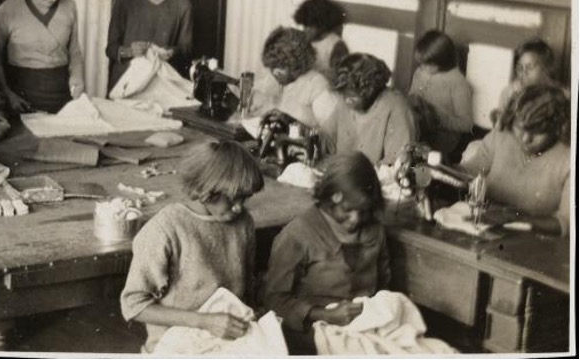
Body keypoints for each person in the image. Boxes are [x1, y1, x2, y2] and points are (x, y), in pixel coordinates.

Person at [120, 140, 265, 354]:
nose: (239, 207)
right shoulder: (166, 229)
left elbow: (247, 285)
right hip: (176, 345)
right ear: (204, 191)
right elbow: (133, 305)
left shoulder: (243, 223)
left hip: (228, 340)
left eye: (245, 198)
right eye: (232, 199)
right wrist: (204, 321)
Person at [261, 152, 390, 355]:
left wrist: (378, 311)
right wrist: (323, 315)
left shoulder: (374, 230)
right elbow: (273, 298)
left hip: (364, 325)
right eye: (347, 210)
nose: (355, 219)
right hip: (311, 328)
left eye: (363, 210)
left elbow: (383, 283)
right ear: (330, 198)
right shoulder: (298, 235)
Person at [460, 84, 570, 237]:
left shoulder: (569, 159)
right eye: (521, 127)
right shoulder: (500, 138)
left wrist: (516, 218)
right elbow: (467, 173)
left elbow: (567, 223)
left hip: (534, 247)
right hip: (484, 235)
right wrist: (442, 168)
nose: (526, 139)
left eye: (538, 131)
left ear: (559, 128)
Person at [0, 0, 84, 114]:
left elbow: (74, 51)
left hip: (60, 93)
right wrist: (7, 93)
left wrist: (77, 78)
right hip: (21, 96)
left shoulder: (69, 7)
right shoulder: (9, 9)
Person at [105, 0, 193, 91]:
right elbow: (110, 49)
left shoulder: (182, 3)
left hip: (161, 86)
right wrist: (129, 52)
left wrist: (172, 52)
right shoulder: (123, 1)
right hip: (125, 85)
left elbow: (187, 49)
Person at [323, 53, 417, 165]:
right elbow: (327, 138)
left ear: (370, 89)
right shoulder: (345, 99)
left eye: (352, 97)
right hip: (344, 173)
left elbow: (397, 163)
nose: (346, 100)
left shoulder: (395, 106)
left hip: (375, 178)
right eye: (343, 95)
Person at [257, 26, 337, 131]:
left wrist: (293, 122)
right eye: (271, 66)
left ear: (297, 64)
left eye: (281, 66)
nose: (274, 72)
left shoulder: (316, 85)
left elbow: (331, 134)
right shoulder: (283, 80)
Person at [408, 30, 473, 158]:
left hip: (442, 135)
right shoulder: (420, 71)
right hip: (419, 127)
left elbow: (467, 124)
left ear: (443, 61)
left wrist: (438, 118)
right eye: (421, 63)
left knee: (414, 150)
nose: (423, 68)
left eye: (428, 65)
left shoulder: (458, 82)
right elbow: (411, 97)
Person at [492, 38, 560, 123]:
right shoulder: (509, 92)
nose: (523, 72)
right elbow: (499, 125)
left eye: (529, 67)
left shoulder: (556, 96)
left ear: (545, 68)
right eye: (520, 68)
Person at [292, 0, 349, 75]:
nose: (306, 30)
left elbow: (340, 75)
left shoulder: (335, 45)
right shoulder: (303, 40)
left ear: (322, 25)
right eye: (304, 26)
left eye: (310, 26)